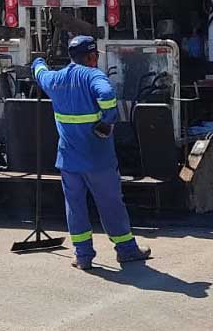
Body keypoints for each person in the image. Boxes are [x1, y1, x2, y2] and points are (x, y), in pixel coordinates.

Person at [32, 36, 151, 269]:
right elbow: (106, 94)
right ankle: (126, 250)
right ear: (91, 56)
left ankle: (83, 256)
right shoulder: (93, 76)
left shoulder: (55, 80)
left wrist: (38, 61)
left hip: (68, 159)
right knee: (110, 203)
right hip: (98, 159)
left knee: (75, 206)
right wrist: (107, 120)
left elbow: (40, 73)